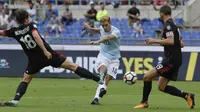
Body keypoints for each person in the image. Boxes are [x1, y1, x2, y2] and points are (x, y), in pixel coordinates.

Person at [0, 9, 103, 107]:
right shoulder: (31, 26)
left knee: (26, 79)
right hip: (49, 55)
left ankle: (15, 100)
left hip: (34, 61)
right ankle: (98, 79)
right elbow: (36, 36)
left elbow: (2, 32)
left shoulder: (13, 31)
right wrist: (45, 51)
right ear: (26, 18)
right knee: (73, 66)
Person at [134, 5, 195, 109]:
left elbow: (170, 41)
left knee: (147, 77)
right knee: (161, 86)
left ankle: (144, 102)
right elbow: (181, 44)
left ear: (162, 13)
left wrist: (154, 41)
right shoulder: (175, 24)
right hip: (176, 59)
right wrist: (166, 43)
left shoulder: (168, 25)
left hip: (171, 60)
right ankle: (187, 96)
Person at [83, 16, 121, 105]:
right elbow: (99, 30)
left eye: (106, 25)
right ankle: (100, 77)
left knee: (107, 79)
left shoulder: (116, 31)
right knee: (103, 67)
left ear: (110, 23)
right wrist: (89, 28)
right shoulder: (102, 28)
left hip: (115, 58)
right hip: (104, 55)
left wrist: (98, 41)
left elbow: (108, 38)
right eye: (103, 25)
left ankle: (96, 98)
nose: (104, 27)